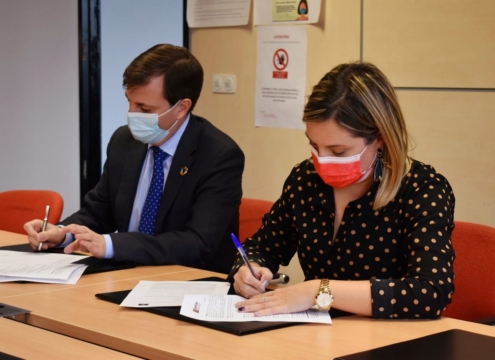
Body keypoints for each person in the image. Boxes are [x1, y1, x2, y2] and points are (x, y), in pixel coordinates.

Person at [231, 62, 455, 319]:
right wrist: (248, 270)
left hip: (388, 342)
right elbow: (263, 246)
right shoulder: (305, 179)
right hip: (315, 337)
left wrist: (318, 290)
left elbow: (430, 292)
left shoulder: (422, 189)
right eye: (314, 145)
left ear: (379, 137)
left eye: (338, 151)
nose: (322, 160)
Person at [25, 44, 245, 273]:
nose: (132, 114)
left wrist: (109, 244)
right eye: (129, 102)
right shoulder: (124, 141)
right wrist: (61, 233)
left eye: (145, 108)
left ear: (182, 108)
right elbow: (98, 212)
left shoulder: (218, 156)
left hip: (187, 282)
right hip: (124, 274)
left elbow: (197, 243)